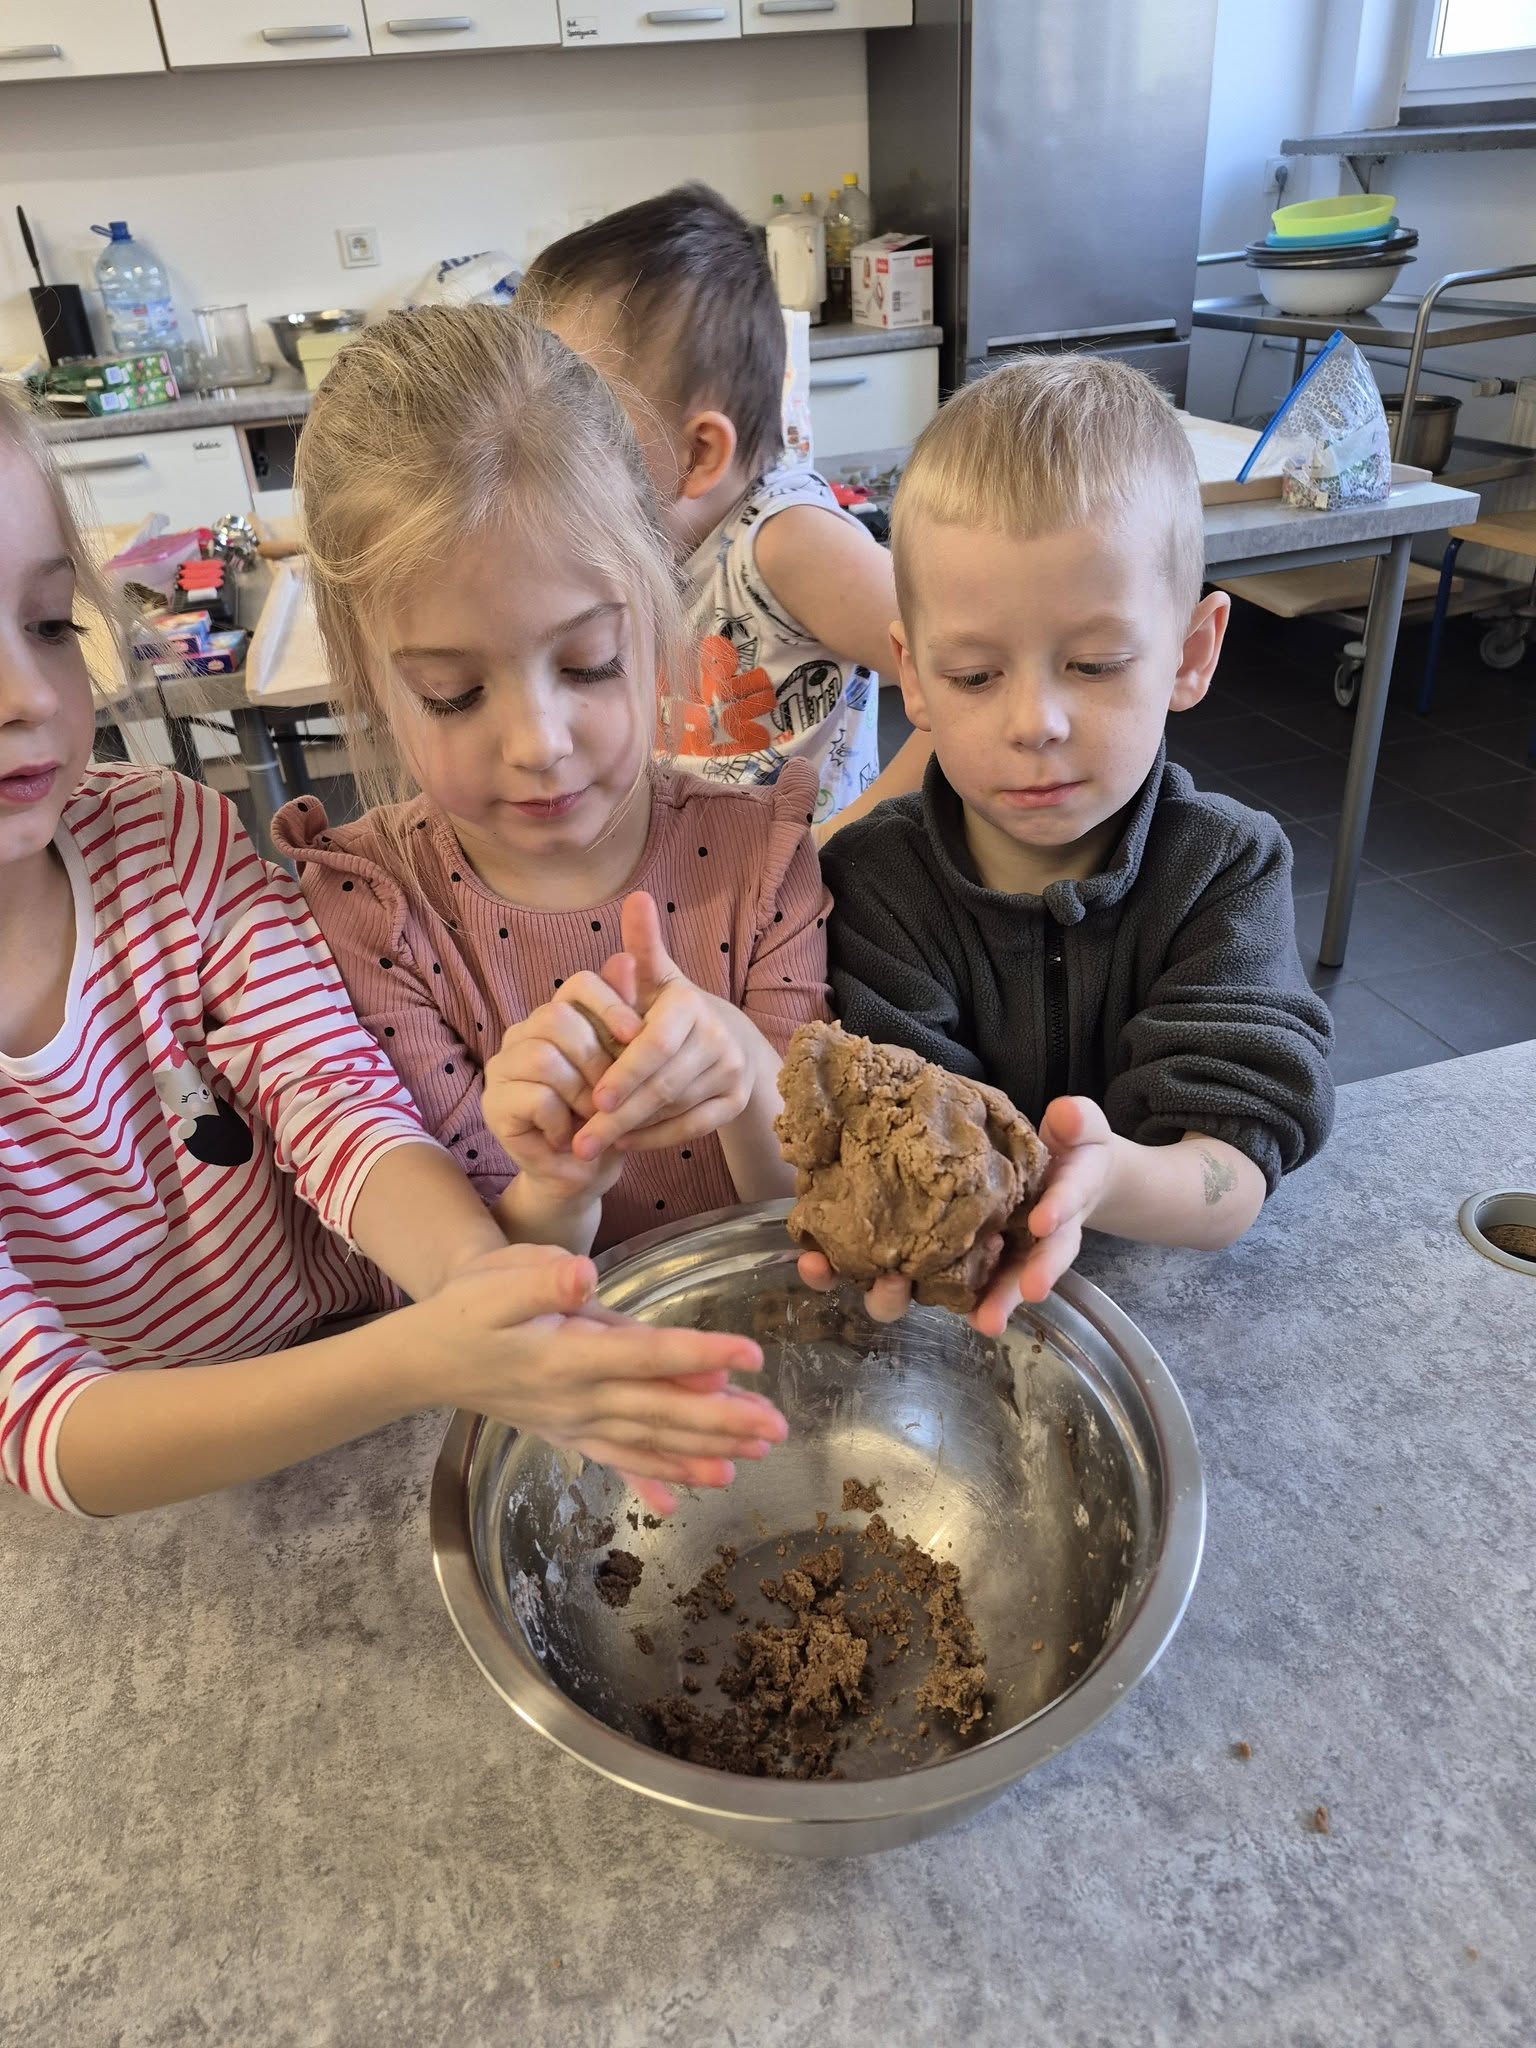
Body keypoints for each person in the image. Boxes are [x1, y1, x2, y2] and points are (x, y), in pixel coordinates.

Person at [0, 389, 782, 1520]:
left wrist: (484, 1297)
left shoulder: (163, 837)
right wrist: (434, 1351)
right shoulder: (372, 898)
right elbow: (47, 1426)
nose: (27, 695)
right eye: (454, 693)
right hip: (164, 1481)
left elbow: (335, 1101)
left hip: (367, 1370)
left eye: (45, 624)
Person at [272, 305, 828, 1271]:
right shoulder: (372, 915)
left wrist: (740, 1061)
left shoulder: (763, 855)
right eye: (454, 694)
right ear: (368, 682)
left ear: (657, 611)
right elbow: (472, 1291)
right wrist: (557, 1183)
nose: (538, 745)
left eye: (588, 664)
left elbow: (813, 1210)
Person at [809, 354, 1335, 1334]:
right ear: (912, 677)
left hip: (1164, 1300)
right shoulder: (872, 886)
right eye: (974, 676)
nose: (1035, 723)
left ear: (1190, 653)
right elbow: (906, 1148)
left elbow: (1231, 1172)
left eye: (1093, 664)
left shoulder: (1225, 869)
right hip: (947, 1310)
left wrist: (1103, 1178)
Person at [523, 182, 931, 831]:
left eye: (572, 429)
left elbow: (968, 678)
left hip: (811, 882)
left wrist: (852, 835)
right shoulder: (636, 544)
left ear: (699, 453)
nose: (539, 456)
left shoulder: (789, 543)